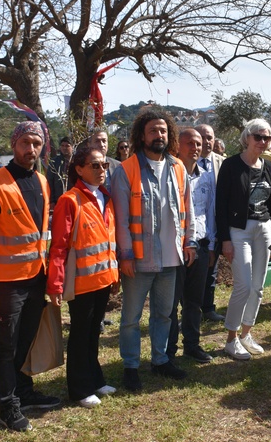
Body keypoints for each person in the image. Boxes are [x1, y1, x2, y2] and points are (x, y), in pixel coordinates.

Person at [0, 121, 59, 432]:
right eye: (25, 142)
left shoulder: (42, 181)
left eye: (36, 143)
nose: (31, 149)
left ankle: (23, 392)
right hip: (6, 281)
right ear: (13, 145)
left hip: (36, 276)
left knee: (26, 339)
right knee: (7, 345)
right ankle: (7, 405)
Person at [112, 109, 195, 390]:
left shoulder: (178, 167)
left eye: (163, 131)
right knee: (131, 319)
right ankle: (131, 366)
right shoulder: (127, 170)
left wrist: (190, 241)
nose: (159, 135)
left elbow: (188, 210)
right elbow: (121, 219)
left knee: (164, 315)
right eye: (152, 131)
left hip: (171, 257)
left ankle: (160, 361)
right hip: (138, 259)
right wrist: (125, 255)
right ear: (141, 135)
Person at [47, 145, 118, 408]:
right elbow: (59, 246)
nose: (101, 170)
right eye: (95, 165)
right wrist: (55, 284)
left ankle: (95, 379)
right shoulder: (70, 200)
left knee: (93, 334)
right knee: (79, 335)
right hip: (81, 283)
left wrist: (114, 275)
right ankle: (79, 388)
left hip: (102, 280)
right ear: (79, 169)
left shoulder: (105, 198)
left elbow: (108, 241)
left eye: (104, 165)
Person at [215, 119, 271, 360]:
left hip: (264, 228)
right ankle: (231, 339)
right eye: (259, 137)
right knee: (243, 285)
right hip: (238, 229)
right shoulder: (231, 166)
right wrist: (224, 240)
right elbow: (220, 205)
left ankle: (247, 333)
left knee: (258, 287)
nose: (263, 142)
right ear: (247, 138)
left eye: (267, 138)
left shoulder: (269, 167)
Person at [168, 129, 216, 364]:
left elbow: (211, 212)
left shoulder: (206, 176)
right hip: (175, 246)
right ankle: (168, 350)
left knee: (193, 301)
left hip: (201, 245)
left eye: (199, 143)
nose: (196, 147)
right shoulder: (168, 174)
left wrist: (213, 245)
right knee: (170, 303)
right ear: (177, 145)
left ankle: (192, 345)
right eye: (190, 143)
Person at [195, 124, 226, 323]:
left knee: (211, 270)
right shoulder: (184, 163)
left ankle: (208, 308)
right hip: (194, 226)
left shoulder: (223, 163)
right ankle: (190, 311)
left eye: (210, 138)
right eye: (203, 138)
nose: (207, 142)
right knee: (193, 273)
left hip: (215, 225)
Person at [89, 128, 121, 193]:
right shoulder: (84, 167)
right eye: (97, 141)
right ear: (89, 144)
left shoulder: (118, 166)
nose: (101, 145)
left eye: (104, 141)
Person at [48, 136, 73, 207]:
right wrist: (52, 200)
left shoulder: (77, 162)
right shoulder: (54, 162)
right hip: (58, 200)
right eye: (62, 146)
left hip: (74, 198)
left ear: (72, 147)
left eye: (67, 146)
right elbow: (50, 182)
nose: (64, 148)